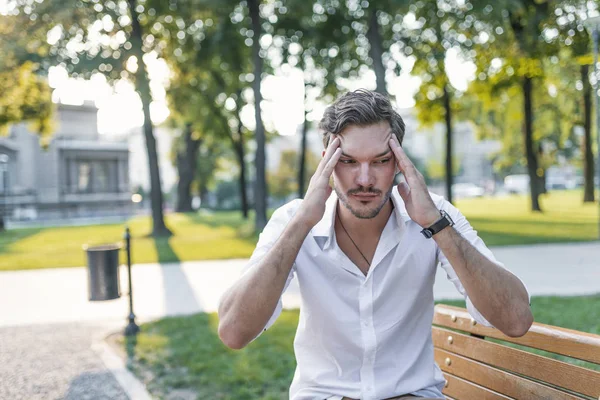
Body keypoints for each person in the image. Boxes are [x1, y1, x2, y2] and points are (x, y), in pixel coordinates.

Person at [217, 89, 533, 400]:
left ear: (398, 162)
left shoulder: (436, 215)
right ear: (327, 162)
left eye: (380, 161)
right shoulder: (293, 220)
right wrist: (301, 224)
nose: (365, 179)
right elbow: (234, 332)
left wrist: (437, 226)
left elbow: (515, 320)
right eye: (350, 161)